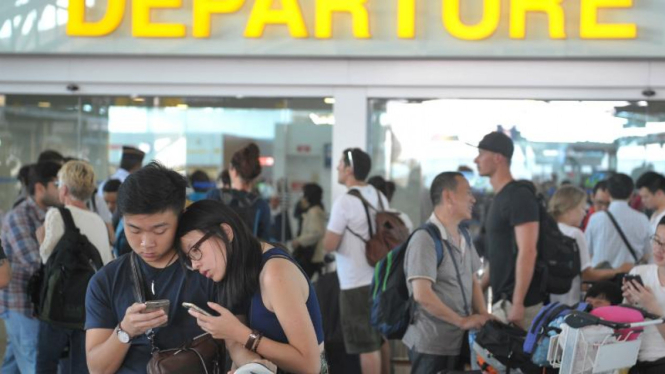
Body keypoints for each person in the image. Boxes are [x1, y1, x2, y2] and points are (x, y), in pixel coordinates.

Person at [84, 162, 218, 374]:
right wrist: (125, 330)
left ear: (181, 217)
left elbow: (235, 343)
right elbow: (97, 368)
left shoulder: (207, 270)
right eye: (134, 230)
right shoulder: (106, 281)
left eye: (159, 230)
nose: (146, 243)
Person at [178, 199, 325, 373]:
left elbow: (310, 366)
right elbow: (234, 344)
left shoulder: (275, 273)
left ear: (225, 232)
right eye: (189, 257)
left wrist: (239, 333)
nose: (194, 265)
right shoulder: (235, 271)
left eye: (195, 250)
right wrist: (250, 365)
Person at [403, 172, 491, 373]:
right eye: (467, 193)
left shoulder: (464, 236)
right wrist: (462, 321)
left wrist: (483, 315)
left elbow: (472, 279)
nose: (473, 199)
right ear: (448, 196)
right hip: (431, 345)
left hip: (457, 342)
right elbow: (422, 295)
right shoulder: (424, 239)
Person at [34, 160, 113, 373]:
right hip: (89, 308)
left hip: (58, 306)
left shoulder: (57, 214)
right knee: (81, 366)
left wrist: (40, 237)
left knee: (47, 363)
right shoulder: (98, 221)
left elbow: (46, 257)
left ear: (65, 188)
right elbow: (106, 264)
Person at [323, 148, 391, 374]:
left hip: (355, 282)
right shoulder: (379, 196)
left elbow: (329, 244)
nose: (337, 168)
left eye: (341, 164)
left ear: (350, 168)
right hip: (380, 279)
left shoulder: (344, 202)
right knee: (380, 338)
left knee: (365, 344)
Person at [473, 131, 544, 329]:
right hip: (503, 302)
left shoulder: (519, 196)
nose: (475, 159)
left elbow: (528, 250)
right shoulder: (497, 199)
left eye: (481, 153)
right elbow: (498, 255)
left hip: (520, 305)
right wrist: (479, 290)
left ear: (498, 158)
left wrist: (518, 302)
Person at [0, 161, 62, 374]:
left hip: (40, 304)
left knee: (14, 362)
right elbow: (34, 261)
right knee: (33, 363)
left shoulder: (55, 213)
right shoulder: (19, 217)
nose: (62, 188)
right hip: (21, 306)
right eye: (57, 183)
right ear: (40, 188)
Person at [547, 185, 633, 305]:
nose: (585, 213)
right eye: (582, 208)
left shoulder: (547, 230)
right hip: (569, 303)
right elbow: (587, 274)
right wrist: (619, 270)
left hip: (548, 302)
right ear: (570, 209)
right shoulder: (574, 234)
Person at [622, 216, 665, 373]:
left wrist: (652, 307)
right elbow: (624, 325)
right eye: (657, 240)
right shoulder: (640, 272)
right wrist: (629, 302)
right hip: (632, 359)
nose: (659, 249)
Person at [205, 143, 271, 241]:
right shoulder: (261, 205)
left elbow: (204, 229)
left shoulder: (215, 196)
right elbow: (265, 242)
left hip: (217, 254)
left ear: (233, 171)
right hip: (249, 255)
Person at [586, 173, 651, 268]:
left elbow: (588, 251)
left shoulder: (596, 218)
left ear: (608, 192)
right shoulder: (642, 219)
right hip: (630, 278)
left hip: (602, 279)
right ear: (632, 194)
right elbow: (648, 252)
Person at [292, 183, 327, 279]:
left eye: (303, 194)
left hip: (312, 255)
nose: (302, 197)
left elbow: (316, 232)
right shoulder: (314, 210)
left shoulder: (314, 211)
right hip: (312, 255)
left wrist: (299, 241)